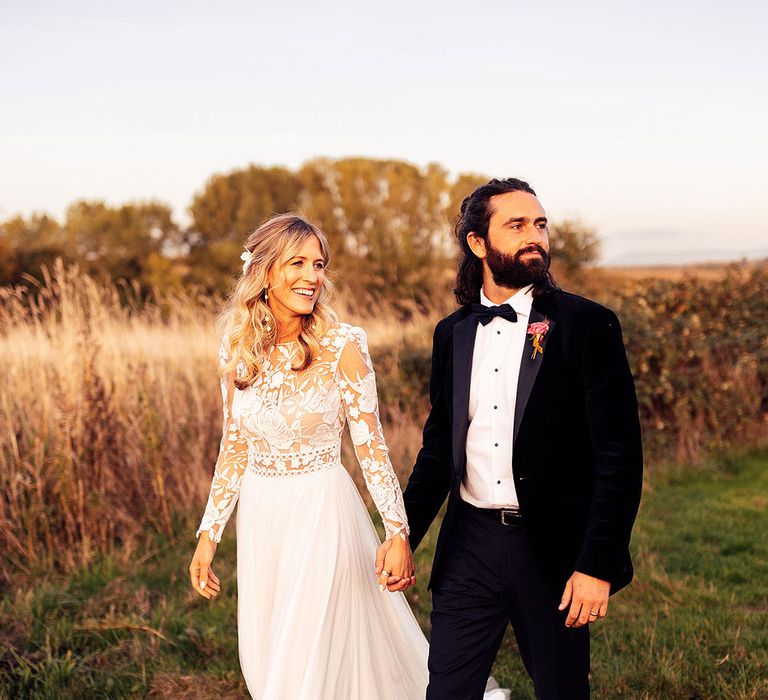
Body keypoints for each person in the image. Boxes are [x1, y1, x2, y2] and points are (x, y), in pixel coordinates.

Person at [187, 213, 506, 699]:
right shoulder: (237, 350)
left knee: (307, 651)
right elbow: (234, 445)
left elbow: (371, 447)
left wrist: (397, 532)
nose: (312, 276)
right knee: (270, 649)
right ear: (265, 272)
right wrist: (209, 534)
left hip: (322, 513)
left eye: (319, 264)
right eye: (297, 263)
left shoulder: (343, 345)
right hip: (262, 518)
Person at [387, 178, 644, 699]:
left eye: (541, 224)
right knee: (448, 692)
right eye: (518, 225)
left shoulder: (587, 325)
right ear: (477, 243)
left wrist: (595, 564)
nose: (536, 237)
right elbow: (438, 451)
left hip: (551, 547)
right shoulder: (451, 333)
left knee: (561, 690)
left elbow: (619, 456)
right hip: (468, 547)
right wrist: (402, 535)